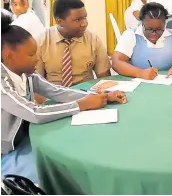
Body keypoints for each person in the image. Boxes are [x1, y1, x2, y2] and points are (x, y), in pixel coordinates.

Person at [1, 11, 126, 183]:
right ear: (9, 55)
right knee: (55, 173)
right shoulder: (2, 82)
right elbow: (34, 113)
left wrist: (100, 96)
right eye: (31, 55)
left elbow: (57, 92)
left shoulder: (27, 73)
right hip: (8, 151)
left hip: (28, 137)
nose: (37, 59)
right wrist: (82, 105)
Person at [36, 0, 111, 87]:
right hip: (54, 95)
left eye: (85, 18)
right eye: (78, 20)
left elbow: (104, 78)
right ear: (59, 21)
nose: (84, 24)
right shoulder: (41, 42)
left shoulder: (93, 40)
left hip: (86, 94)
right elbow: (38, 82)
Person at [113, 2, 172, 80]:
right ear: (142, 23)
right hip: (136, 82)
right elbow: (117, 62)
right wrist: (140, 73)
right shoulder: (131, 34)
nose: (154, 34)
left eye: (159, 29)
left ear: (165, 24)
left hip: (166, 83)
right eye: (149, 29)